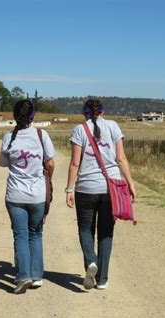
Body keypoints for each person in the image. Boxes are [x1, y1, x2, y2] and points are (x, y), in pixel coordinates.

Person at [65, 99, 136, 290]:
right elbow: (121, 158)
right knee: (106, 232)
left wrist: (69, 189)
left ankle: (91, 262)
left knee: (86, 229)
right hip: (111, 189)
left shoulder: (79, 130)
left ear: (85, 113)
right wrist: (130, 183)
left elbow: (74, 163)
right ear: (102, 112)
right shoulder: (113, 126)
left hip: (86, 188)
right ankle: (102, 279)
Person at [0, 99, 55, 294]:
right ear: (33, 116)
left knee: (20, 235)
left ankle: (23, 276)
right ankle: (37, 276)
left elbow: (3, 163)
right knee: (36, 234)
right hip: (37, 195)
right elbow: (50, 162)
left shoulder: (9, 138)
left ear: (15, 116)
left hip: (15, 194)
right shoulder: (41, 135)